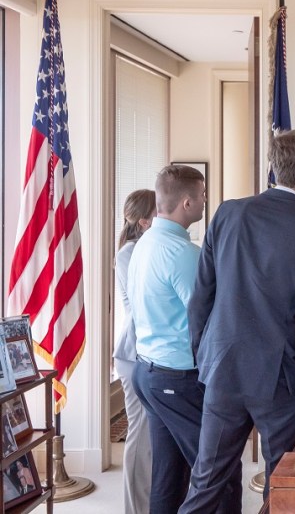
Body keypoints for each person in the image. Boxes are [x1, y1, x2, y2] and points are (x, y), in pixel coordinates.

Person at [179, 129, 295, 513]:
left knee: (206, 481)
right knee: (283, 487)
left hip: (223, 366)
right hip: (280, 375)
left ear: (273, 167)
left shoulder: (227, 212)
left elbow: (201, 296)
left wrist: (203, 354)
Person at [128, 165, 207, 514]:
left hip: (147, 372)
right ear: (187, 203)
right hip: (175, 377)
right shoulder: (182, 255)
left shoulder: (143, 244)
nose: (206, 201)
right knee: (214, 469)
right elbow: (204, 316)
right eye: (203, 196)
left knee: (169, 474)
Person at [113, 189, 156, 514]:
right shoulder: (129, 254)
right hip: (134, 355)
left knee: (152, 441)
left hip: (150, 355)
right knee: (140, 438)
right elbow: (143, 306)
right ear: (144, 220)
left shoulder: (147, 248)